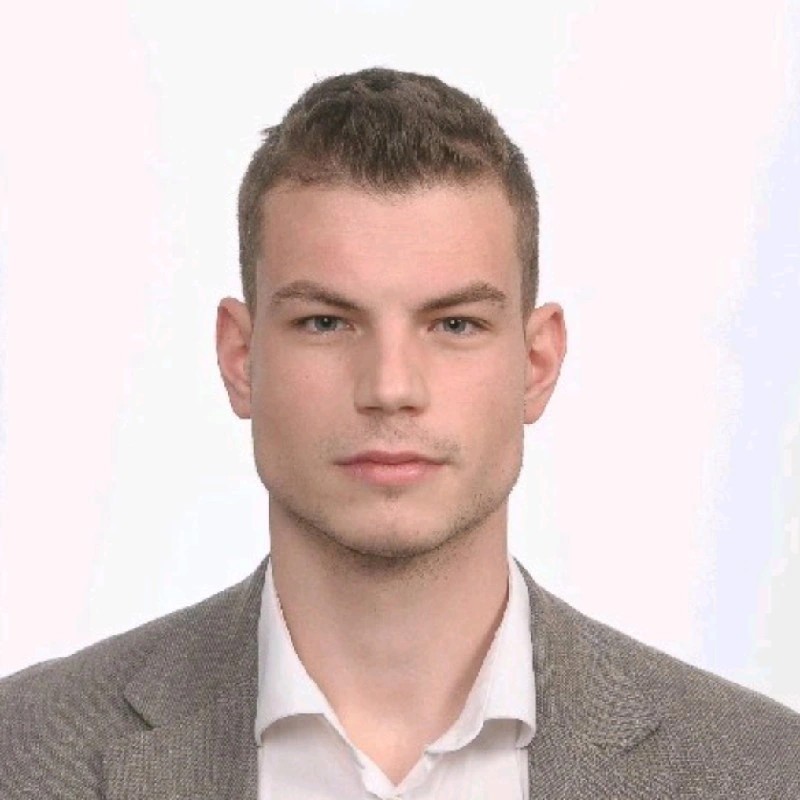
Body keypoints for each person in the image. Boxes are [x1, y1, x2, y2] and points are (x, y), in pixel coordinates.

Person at [1, 67, 798, 800]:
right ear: (241, 360)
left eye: (454, 324)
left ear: (537, 363)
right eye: (325, 322)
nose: (390, 388)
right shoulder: (25, 751)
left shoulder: (763, 771)